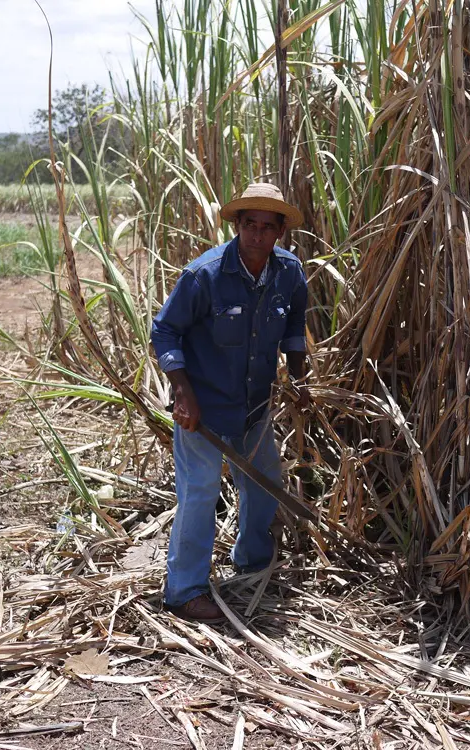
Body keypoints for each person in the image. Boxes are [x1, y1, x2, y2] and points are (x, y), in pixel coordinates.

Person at [150, 182, 310, 624]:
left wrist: (300, 380)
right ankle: (184, 591)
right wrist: (183, 393)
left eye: (266, 227)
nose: (257, 235)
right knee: (199, 493)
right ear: (237, 226)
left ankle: (253, 565)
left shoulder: (289, 273)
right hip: (203, 409)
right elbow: (164, 332)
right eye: (249, 226)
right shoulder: (205, 275)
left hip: (254, 407)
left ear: (280, 231)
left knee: (263, 483)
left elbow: (294, 329)